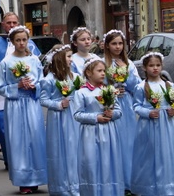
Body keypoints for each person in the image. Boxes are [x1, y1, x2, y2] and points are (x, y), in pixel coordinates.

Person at [0, 12, 41, 169]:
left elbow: (38, 72)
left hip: (28, 97)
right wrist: (15, 83)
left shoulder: (31, 47)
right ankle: (11, 160)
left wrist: (31, 84)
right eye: (8, 23)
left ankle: (29, 161)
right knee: (6, 131)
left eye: (15, 22)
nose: (12, 25)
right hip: (3, 97)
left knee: (30, 131)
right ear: (3, 24)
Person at [0, 25, 47, 194]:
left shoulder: (34, 61)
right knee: (18, 141)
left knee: (35, 138)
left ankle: (37, 177)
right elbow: (0, 87)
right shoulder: (6, 62)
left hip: (31, 103)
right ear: (12, 42)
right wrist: (16, 86)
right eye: (18, 40)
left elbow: (42, 82)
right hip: (15, 105)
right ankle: (23, 180)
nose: (21, 43)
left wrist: (34, 87)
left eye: (24, 40)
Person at [73, 58, 123, 195]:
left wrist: (112, 114)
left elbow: (119, 111)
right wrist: (96, 117)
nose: (103, 74)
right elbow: (77, 114)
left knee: (109, 162)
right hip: (90, 133)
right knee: (92, 163)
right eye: (99, 71)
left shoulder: (110, 90)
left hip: (109, 132)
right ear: (88, 73)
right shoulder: (81, 92)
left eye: (104, 71)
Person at [131, 52, 174, 195]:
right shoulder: (141, 87)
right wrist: (148, 113)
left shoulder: (169, 85)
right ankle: (149, 186)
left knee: (167, 153)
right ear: (144, 68)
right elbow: (136, 106)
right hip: (149, 126)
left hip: (167, 125)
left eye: (158, 65)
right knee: (149, 154)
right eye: (151, 65)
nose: (155, 68)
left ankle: (167, 185)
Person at [103, 29, 140, 194]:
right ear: (107, 45)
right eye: (114, 43)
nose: (117, 47)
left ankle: (129, 180)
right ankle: (114, 180)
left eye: (120, 43)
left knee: (129, 142)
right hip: (110, 106)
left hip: (126, 106)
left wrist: (126, 74)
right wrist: (111, 90)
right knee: (113, 142)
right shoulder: (103, 63)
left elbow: (137, 87)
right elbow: (98, 84)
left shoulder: (129, 63)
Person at [40, 44, 80, 195]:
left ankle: (76, 185)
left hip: (73, 115)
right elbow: (43, 100)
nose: (71, 59)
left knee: (74, 149)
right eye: (69, 56)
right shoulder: (49, 79)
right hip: (58, 118)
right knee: (59, 151)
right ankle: (61, 187)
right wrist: (58, 104)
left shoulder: (75, 77)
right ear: (60, 59)